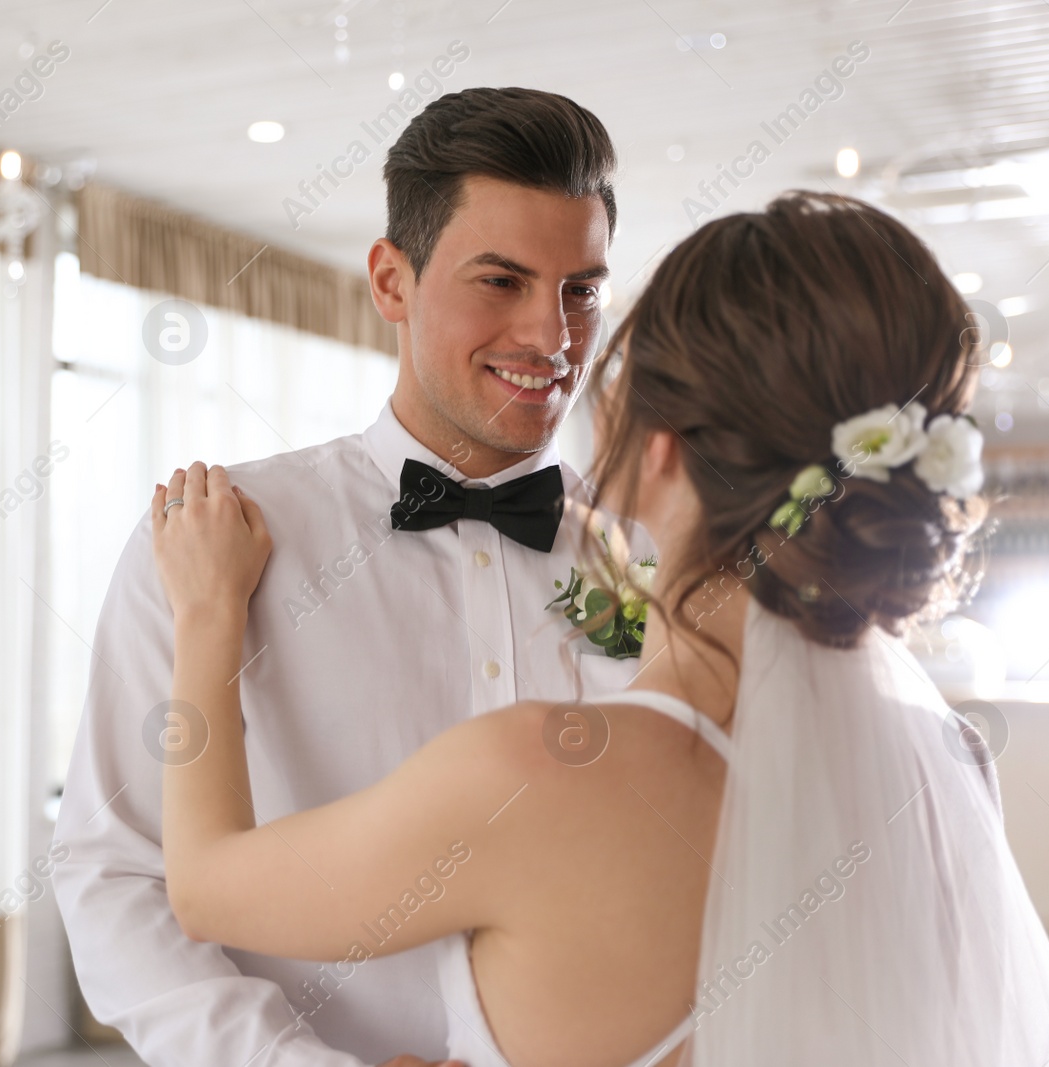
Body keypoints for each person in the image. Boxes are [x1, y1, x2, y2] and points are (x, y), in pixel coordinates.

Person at [149, 191, 1049, 1065]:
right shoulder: (947, 766)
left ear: (665, 453)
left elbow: (202, 883)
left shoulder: (530, 778)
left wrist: (204, 615)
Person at [52, 87, 644, 1067]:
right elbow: (116, 871)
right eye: (501, 281)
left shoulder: (646, 565)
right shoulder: (216, 536)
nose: (552, 336)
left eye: (580, 288)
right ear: (391, 280)